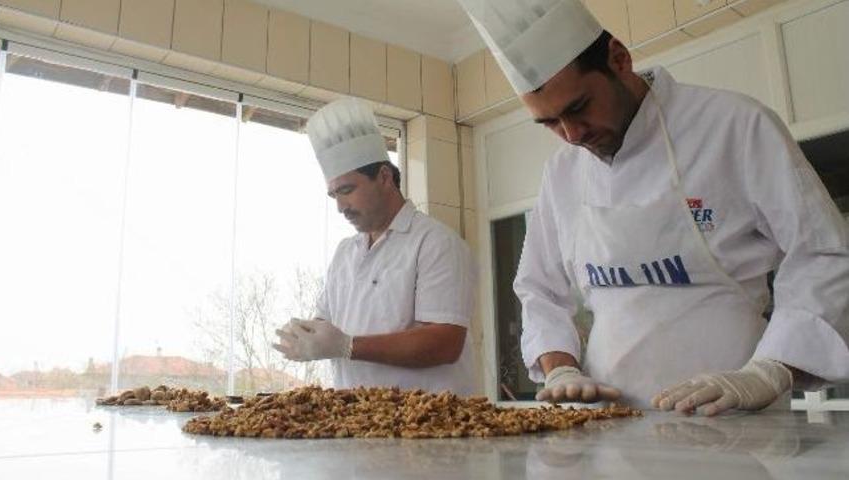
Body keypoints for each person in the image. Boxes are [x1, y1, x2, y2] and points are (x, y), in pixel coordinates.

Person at [456, 0, 849, 413]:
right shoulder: (562, 172)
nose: (571, 134)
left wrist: (769, 370)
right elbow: (538, 289)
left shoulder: (734, 125)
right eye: (550, 123)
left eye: (578, 107)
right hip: (611, 423)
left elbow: (821, 253)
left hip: (734, 416)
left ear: (619, 59)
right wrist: (561, 370)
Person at [272, 97, 477, 396]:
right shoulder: (345, 253)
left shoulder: (435, 243)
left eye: (347, 190)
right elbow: (326, 322)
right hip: (358, 423)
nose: (341, 206)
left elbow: (445, 343)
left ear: (383, 177)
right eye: (334, 196)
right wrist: (306, 336)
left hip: (428, 426)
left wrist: (348, 346)